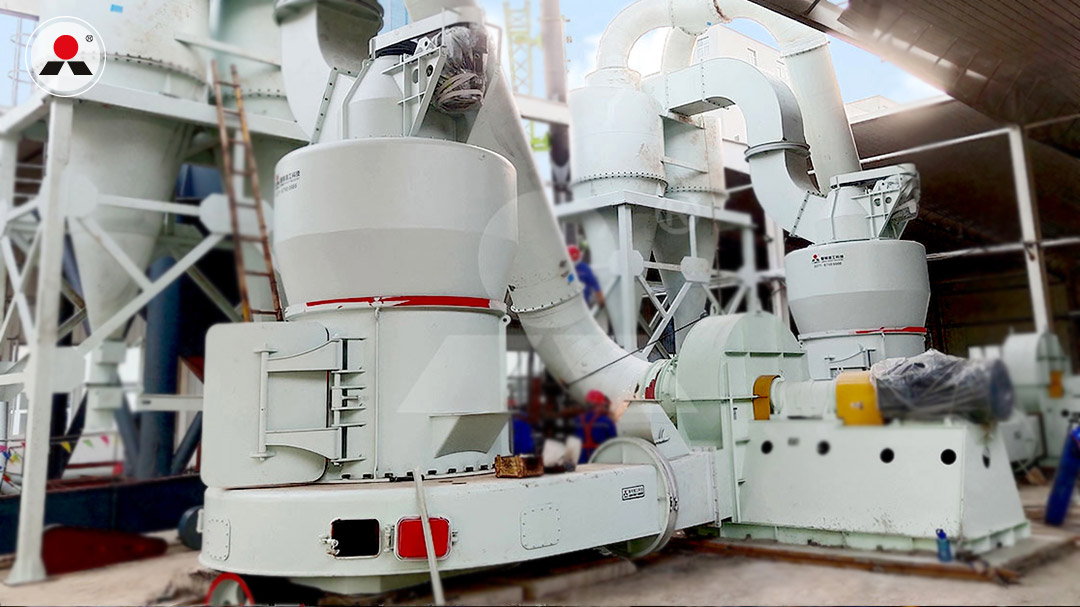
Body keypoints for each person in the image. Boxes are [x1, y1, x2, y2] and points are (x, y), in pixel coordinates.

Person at [575, 390, 617, 463]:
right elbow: (614, 443)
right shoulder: (606, 421)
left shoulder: (578, 420)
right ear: (599, 404)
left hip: (581, 460)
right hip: (600, 460)